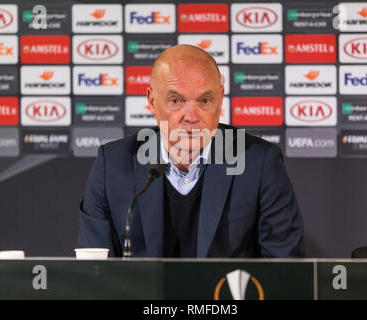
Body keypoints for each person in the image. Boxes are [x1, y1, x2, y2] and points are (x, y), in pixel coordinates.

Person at [77, 45, 304, 258]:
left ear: (220, 98)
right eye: (176, 100)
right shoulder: (113, 166)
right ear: (152, 101)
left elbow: (284, 272)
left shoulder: (259, 164)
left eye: (205, 100)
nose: (192, 116)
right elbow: (94, 274)